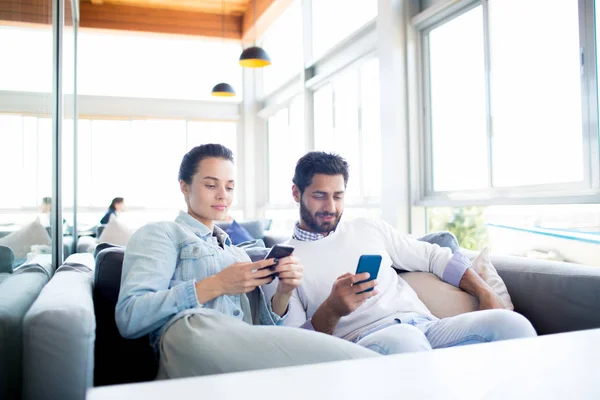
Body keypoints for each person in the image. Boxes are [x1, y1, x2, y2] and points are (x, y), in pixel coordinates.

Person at [115, 144, 378, 380]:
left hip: (236, 347)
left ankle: (383, 373)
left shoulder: (238, 254)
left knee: (328, 361)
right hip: (189, 333)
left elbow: (262, 333)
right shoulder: (161, 233)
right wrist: (217, 284)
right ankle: (388, 373)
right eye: (211, 185)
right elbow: (130, 316)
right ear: (185, 186)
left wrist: (285, 292)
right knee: (348, 363)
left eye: (229, 187)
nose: (223, 195)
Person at [279, 151, 537, 355]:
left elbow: (436, 257)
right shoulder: (283, 261)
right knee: (404, 340)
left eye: (338, 196)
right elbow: (298, 347)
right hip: (363, 342)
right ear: (296, 193)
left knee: (511, 325)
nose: (331, 207)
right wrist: (332, 309)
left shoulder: (369, 228)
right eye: (320, 196)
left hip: (426, 327)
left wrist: (485, 292)